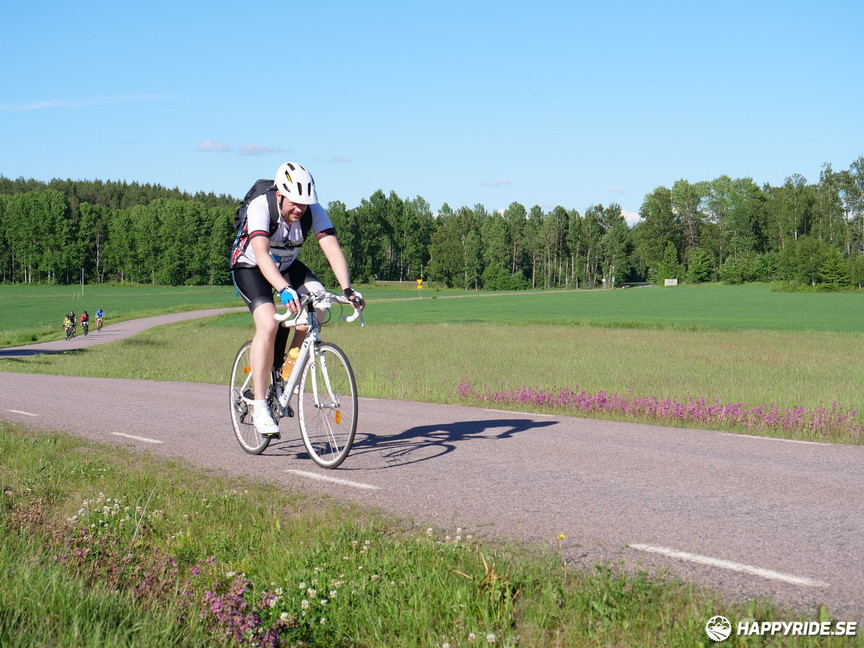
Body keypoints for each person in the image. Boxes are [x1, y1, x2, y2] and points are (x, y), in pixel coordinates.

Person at [231, 162, 365, 436]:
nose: (299, 210)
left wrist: (348, 288)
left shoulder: (312, 210)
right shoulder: (261, 206)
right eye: (294, 204)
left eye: (304, 205)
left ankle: (284, 372)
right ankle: (259, 405)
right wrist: (282, 289)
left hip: (288, 265)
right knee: (268, 324)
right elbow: (261, 254)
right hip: (251, 267)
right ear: (280, 194)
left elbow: (330, 246)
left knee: (322, 307)